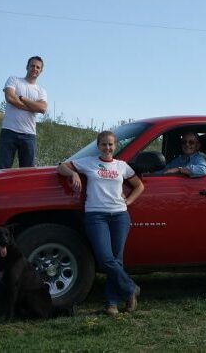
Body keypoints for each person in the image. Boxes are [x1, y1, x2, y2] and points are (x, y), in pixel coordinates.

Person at [57, 131, 145, 317]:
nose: (108, 148)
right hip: (96, 216)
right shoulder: (88, 162)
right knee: (105, 259)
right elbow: (61, 167)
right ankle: (130, 288)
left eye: (111, 144)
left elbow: (139, 185)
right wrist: (73, 173)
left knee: (116, 260)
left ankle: (112, 303)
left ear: (115, 146)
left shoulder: (121, 166)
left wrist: (128, 201)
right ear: (98, 146)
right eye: (104, 144)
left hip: (120, 216)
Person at [0, 56, 47, 169]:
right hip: (9, 131)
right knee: (2, 169)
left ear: (41, 71)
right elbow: (10, 98)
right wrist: (32, 107)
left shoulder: (41, 90)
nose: (35, 69)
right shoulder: (14, 80)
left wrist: (22, 98)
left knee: (27, 172)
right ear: (27, 67)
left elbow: (42, 108)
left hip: (29, 135)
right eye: (32, 66)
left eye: (38, 67)